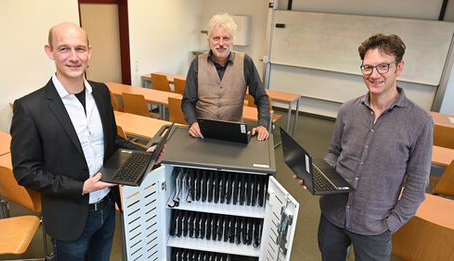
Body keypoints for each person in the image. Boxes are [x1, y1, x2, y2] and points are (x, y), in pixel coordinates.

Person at [10, 22, 163, 260]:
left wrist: (144, 152)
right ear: (50, 52)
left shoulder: (101, 93)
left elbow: (111, 142)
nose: (73, 57)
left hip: (107, 210)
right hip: (68, 218)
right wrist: (81, 187)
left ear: (89, 52)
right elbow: (25, 172)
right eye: (64, 49)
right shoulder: (30, 108)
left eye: (80, 49)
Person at [294, 34, 433, 261]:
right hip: (333, 215)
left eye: (383, 66)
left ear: (399, 67)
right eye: (368, 67)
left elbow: (417, 184)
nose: (374, 74)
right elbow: (334, 155)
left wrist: (391, 223)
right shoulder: (347, 110)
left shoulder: (420, 121)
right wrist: (316, 176)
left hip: (375, 225)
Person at [181, 13, 270, 141]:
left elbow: (262, 97)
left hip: (234, 132)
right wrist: (193, 123)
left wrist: (262, 124)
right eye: (216, 38)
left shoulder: (246, 62)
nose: (221, 43)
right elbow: (187, 101)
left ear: (232, 41)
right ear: (209, 41)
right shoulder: (197, 64)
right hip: (202, 132)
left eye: (226, 38)